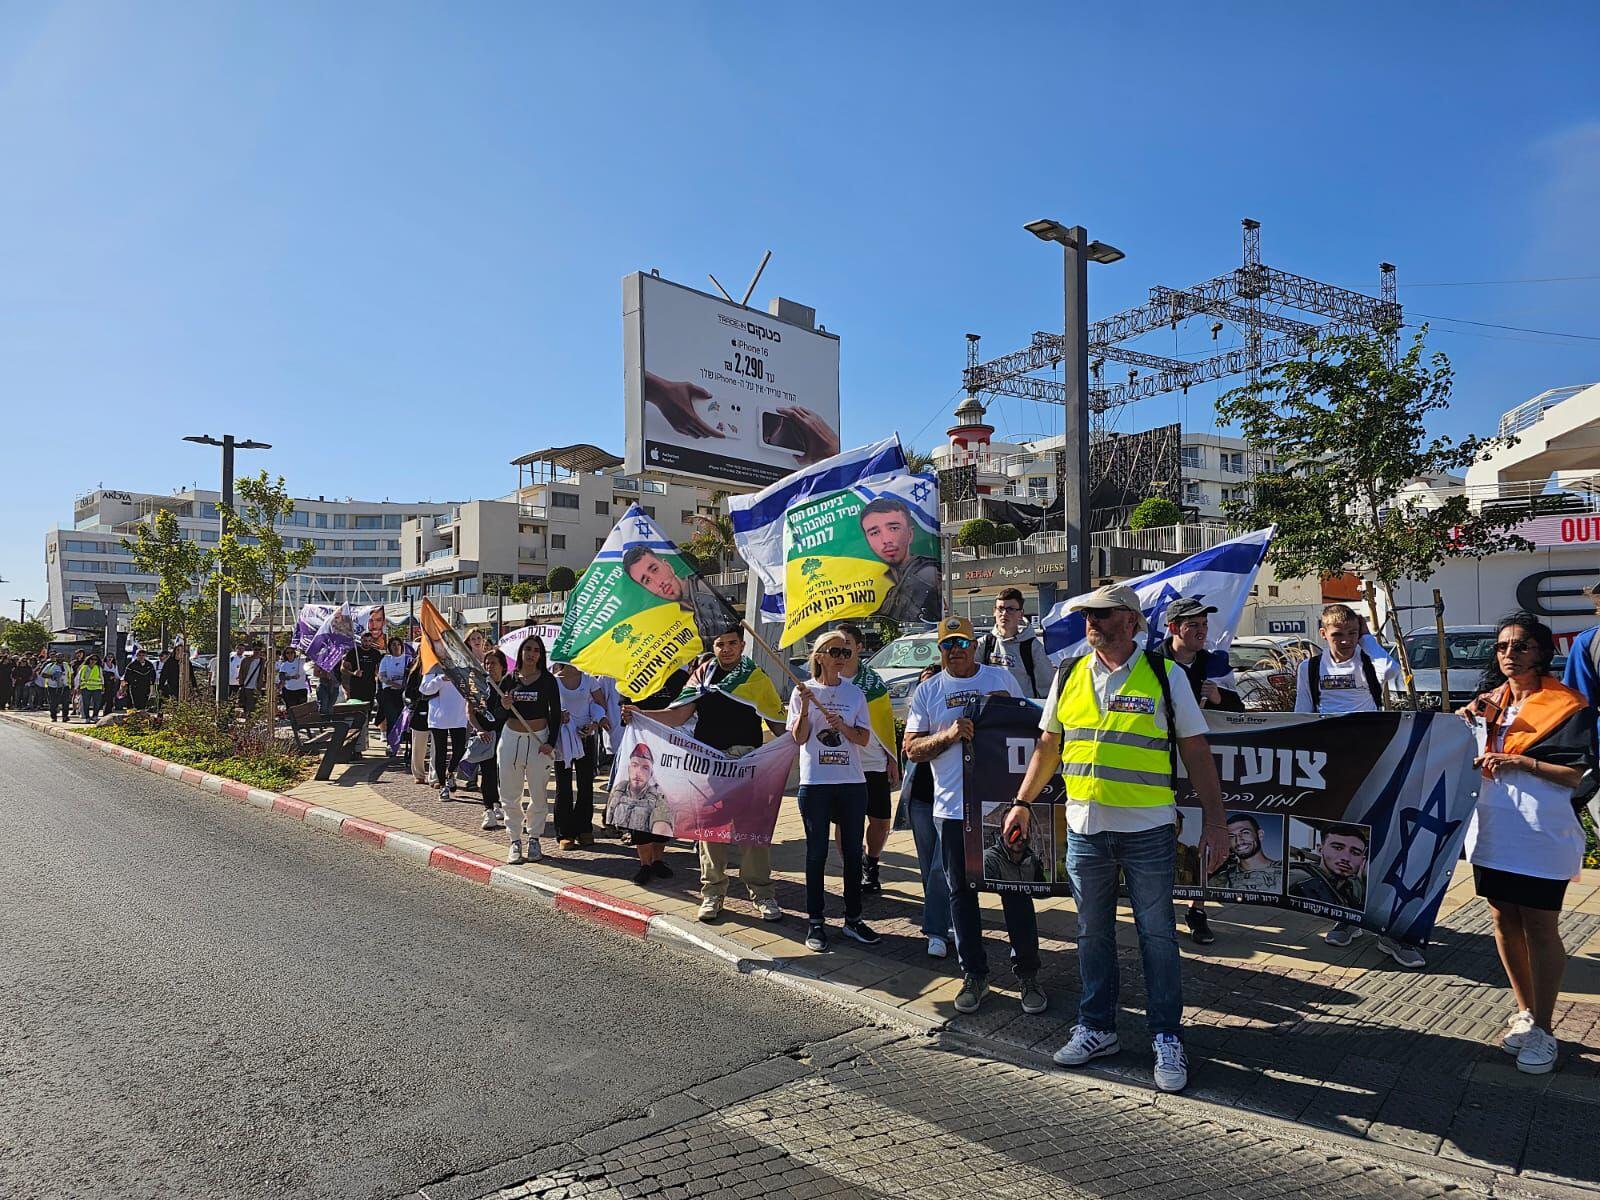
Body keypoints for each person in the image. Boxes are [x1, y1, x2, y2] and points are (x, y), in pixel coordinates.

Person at [1009, 583, 1229, 1094]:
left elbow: (1196, 753)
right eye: (1089, 614)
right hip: (1086, 830)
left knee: (1157, 937)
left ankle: (1167, 1035)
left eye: (1104, 615)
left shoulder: (1164, 674)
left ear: (1131, 621)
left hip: (1149, 829)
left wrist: (1216, 822)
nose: (1093, 622)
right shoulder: (1068, 673)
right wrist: (1022, 801)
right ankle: (1097, 1027)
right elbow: (1048, 747)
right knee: (1092, 935)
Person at [1460, 612, 1594, 1075]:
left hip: (1540, 832)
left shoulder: (1566, 704)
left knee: (1540, 925)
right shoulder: (1488, 703)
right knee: (1503, 918)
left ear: (1542, 652)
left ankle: (1545, 1028)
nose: (1509, 655)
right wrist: (1464, 726)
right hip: (1494, 827)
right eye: (1501, 647)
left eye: (1520, 647)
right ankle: (1525, 1010)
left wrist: (1519, 763)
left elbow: (1574, 774)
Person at [904, 616, 1035, 1008]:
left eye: (962, 643)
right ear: (939, 650)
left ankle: (1028, 976)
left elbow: (1032, 728)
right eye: (948, 645)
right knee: (961, 894)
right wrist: (948, 735)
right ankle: (974, 976)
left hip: (1001, 810)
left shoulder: (1001, 679)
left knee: (1015, 893)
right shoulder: (928, 691)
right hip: (951, 810)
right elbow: (910, 748)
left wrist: (1005, 711)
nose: (955, 651)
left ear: (975, 644)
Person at [1293, 603, 1421, 967]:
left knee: (1380, 837)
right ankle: (1346, 917)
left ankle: (1389, 928)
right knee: (1344, 838)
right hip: (1332, 762)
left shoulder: (1367, 660)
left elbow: (1392, 672)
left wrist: (1368, 639)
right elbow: (1304, 711)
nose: (1345, 641)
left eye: (1351, 634)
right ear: (1323, 635)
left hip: (1373, 756)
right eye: (1338, 635)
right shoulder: (1311, 667)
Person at [634, 627, 784, 923]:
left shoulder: (755, 677)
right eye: (720, 644)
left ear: (742, 645)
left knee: (753, 831)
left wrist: (799, 738)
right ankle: (713, 892)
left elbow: (777, 721)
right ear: (713, 647)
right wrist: (641, 714)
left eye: (732, 643)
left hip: (746, 761)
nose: (726, 649)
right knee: (711, 831)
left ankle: (762, 893)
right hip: (708, 763)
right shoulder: (701, 676)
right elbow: (678, 715)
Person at [1150, 596, 1244, 943]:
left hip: (1199, 764)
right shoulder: (1151, 661)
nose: (1202, 631)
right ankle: (1156, 907)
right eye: (1193, 625)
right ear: (1173, 628)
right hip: (1156, 764)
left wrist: (1223, 698)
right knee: (1160, 836)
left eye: (1204, 625)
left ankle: (1197, 909)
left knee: (1199, 834)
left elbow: (1240, 711)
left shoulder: (1214, 663)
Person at [789, 628, 881, 951]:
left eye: (846, 652)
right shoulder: (804, 691)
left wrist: (842, 726)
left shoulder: (854, 695)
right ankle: (816, 922)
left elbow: (864, 738)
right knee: (817, 854)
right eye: (836, 652)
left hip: (852, 783)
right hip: (816, 784)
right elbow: (799, 738)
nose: (843, 657)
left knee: (853, 854)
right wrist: (804, 708)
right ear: (820, 656)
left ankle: (853, 919)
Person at [837, 623, 900, 897]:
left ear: (859, 647)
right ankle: (851, 867)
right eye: (836, 644)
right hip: (840, 764)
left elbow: (886, 723)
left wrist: (892, 758)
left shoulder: (874, 683)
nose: (842, 649)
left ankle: (871, 864)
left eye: (847, 643)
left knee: (880, 821)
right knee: (845, 823)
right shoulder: (826, 680)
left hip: (873, 761)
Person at [618, 665, 692, 885]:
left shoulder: (680, 678)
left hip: (671, 751)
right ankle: (644, 864)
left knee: (664, 806)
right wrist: (626, 713)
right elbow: (625, 712)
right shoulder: (633, 674)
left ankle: (659, 859)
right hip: (640, 749)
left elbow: (687, 711)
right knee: (640, 807)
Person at [899, 664, 954, 957]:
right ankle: (941, 917)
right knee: (928, 867)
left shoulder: (951, 717)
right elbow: (909, 754)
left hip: (949, 801)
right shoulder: (916, 724)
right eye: (923, 683)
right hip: (922, 800)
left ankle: (938, 928)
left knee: (940, 867)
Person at [494, 635, 560, 864]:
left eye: (536, 650)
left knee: (538, 792)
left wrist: (551, 741)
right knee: (510, 794)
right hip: (511, 739)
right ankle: (514, 840)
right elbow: (497, 715)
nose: (531, 654)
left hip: (538, 741)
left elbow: (555, 713)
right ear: (521, 652)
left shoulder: (548, 681)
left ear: (541, 655)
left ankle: (534, 838)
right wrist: (503, 706)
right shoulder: (508, 680)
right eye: (528, 649)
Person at [622, 545, 738, 643]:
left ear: (667, 566)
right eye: (646, 581)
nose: (658, 582)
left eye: (654, 569)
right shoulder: (669, 618)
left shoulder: (704, 592)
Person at [551, 661, 607, 849]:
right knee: (563, 784)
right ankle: (565, 832)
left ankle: (584, 828)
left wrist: (594, 724)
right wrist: (558, 715)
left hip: (585, 737)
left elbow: (600, 704)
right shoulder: (553, 681)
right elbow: (547, 707)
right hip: (563, 738)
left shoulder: (589, 680)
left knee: (585, 783)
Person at [859, 497, 940, 624]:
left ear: (910, 534)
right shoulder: (885, 581)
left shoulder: (926, 573)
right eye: (875, 532)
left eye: (893, 528)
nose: (886, 540)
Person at [976, 588, 1052, 699]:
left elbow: (1047, 691)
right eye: (1000, 608)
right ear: (994, 611)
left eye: (1010, 609)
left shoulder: (1032, 647)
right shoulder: (985, 644)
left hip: (1022, 712)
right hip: (990, 711)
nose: (1004, 613)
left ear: (1021, 614)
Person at [419, 662, 469, 803]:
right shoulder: (433, 668)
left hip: (459, 715)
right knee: (440, 752)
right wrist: (441, 679)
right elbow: (424, 689)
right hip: (438, 717)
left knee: (460, 750)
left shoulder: (463, 665)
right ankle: (442, 786)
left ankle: (450, 772)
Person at [1287, 822, 1368, 909]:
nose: (1346, 858)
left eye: (1355, 853)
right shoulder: (1298, 877)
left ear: (1362, 859)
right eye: (1338, 848)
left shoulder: (1350, 887)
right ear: (1320, 849)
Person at [474, 649, 508, 833]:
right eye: (487, 663)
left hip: (505, 734)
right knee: (487, 772)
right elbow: (469, 711)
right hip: (486, 735)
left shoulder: (509, 684)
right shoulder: (479, 685)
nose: (489, 667)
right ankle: (488, 809)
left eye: (493, 663)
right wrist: (479, 730)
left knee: (504, 772)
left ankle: (501, 804)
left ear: (502, 666)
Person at [1209, 813, 1283, 893]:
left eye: (1245, 833)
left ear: (1260, 835)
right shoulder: (1219, 881)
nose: (1238, 841)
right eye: (1231, 836)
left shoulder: (1288, 873)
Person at [402, 656, 432, 785]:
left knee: (438, 744)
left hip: (438, 708)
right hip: (420, 708)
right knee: (419, 743)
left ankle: (435, 775)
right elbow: (408, 692)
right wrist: (422, 694)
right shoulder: (416, 670)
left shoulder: (441, 667)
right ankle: (419, 773)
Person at [377, 637, 410, 752]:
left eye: (398, 644)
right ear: (390, 647)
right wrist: (392, 684)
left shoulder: (408, 659)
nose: (396, 647)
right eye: (393, 645)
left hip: (404, 693)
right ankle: (392, 744)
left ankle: (404, 741)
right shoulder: (386, 660)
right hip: (389, 692)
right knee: (392, 718)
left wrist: (403, 686)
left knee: (405, 718)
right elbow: (381, 676)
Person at [277, 644, 310, 710]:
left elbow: (309, 658)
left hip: (302, 689)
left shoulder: (300, 661)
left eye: (291, 652)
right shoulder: (284, 665)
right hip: (290, 690)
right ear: (285, 655)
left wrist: (303, 651)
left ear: (294, 653)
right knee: (292, 710)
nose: (290, 654)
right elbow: (281, 677)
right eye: (288, 653)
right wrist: (292, 677)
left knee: (302, 709)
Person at [236, 643, 265, 716]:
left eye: (259, 650)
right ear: (253, 650)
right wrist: (241, 683)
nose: (257, 651)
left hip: (257, 686)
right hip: (247, 685)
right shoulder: (246, 660)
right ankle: (248, 718)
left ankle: (251, 719)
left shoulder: (263, 661)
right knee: (249, 703)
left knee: (256, 704)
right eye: (255, 649)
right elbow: (241, 672)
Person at [76, 654, 106, 722]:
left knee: (97, 703)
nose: (93, 661)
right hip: (85, 688)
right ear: (88, 660)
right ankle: (87, 718)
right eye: (92, 659)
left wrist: (103, 686)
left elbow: (101, 677)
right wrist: (78, 687)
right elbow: (80, 678)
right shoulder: (84, 667)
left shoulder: (98, 668)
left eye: (95, 660)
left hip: (96, 688)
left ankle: (95, 716)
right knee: (86, 703)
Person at [42, 655, 70, 722]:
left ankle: (65, 717)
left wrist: (72, 686)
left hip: (64, 686)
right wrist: (52, 676)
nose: (60, 658)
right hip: (53, 687)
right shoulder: (50, 666)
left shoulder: (66, 665)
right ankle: (54, 717)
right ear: (55, 658)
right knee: (53, 702)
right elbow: (43, 674)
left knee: (65, 702)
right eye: (58, 657)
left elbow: (71, 674)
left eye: (61, 657)